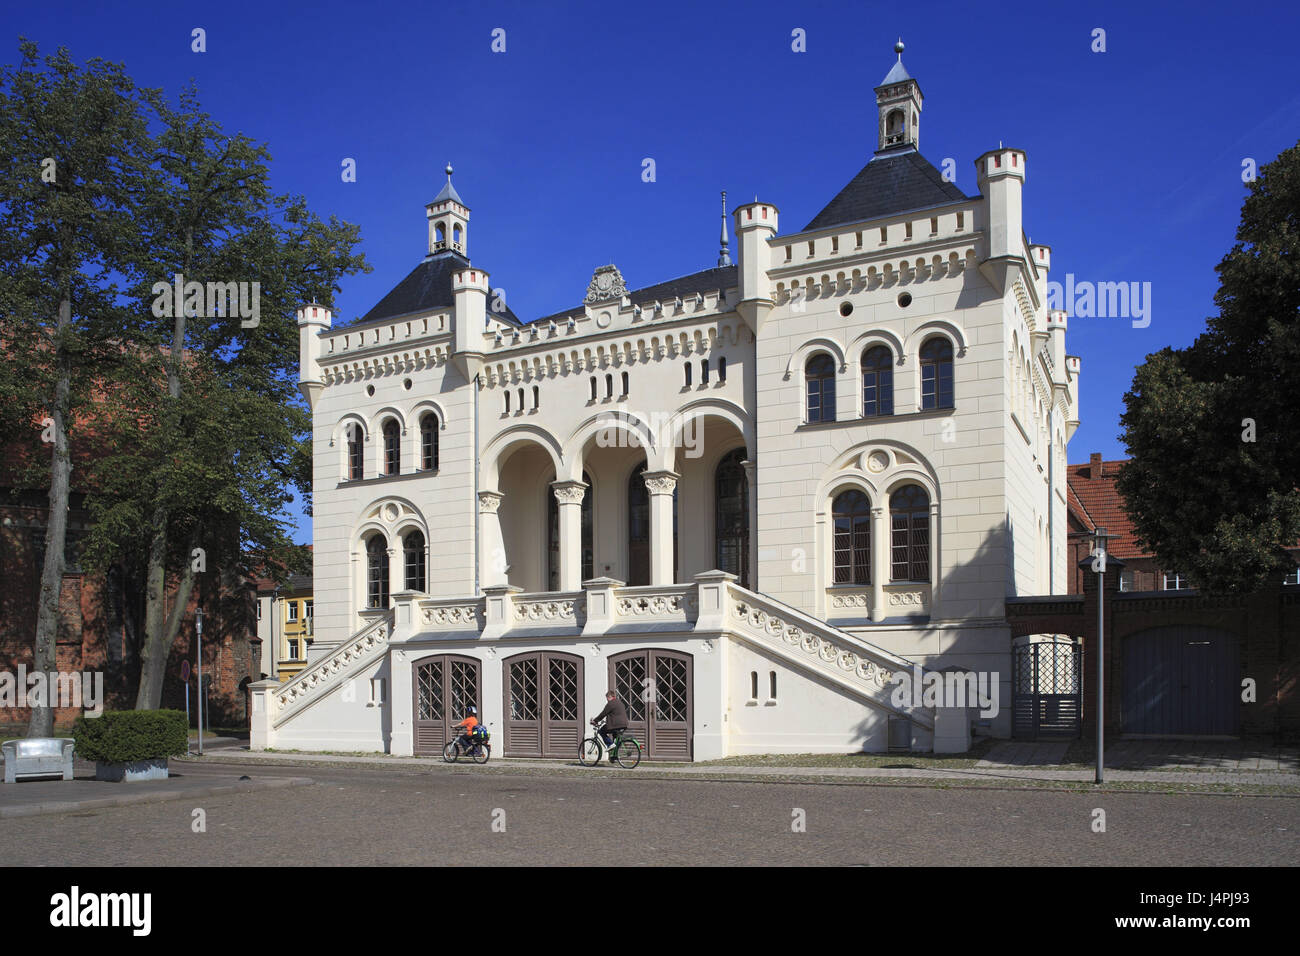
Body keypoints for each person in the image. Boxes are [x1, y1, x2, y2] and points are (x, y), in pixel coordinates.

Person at [590, 691, 628, 763]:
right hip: (624, 724)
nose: (607, 700)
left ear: (609, 697)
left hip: (616, 724)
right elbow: (616, 714)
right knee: (615, 739)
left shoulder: (610, 704)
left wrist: (595, 721)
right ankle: (614, 757)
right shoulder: (620, 702)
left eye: (607, 698)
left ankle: (610, 744)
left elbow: (603, 714)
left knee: (601, 731)